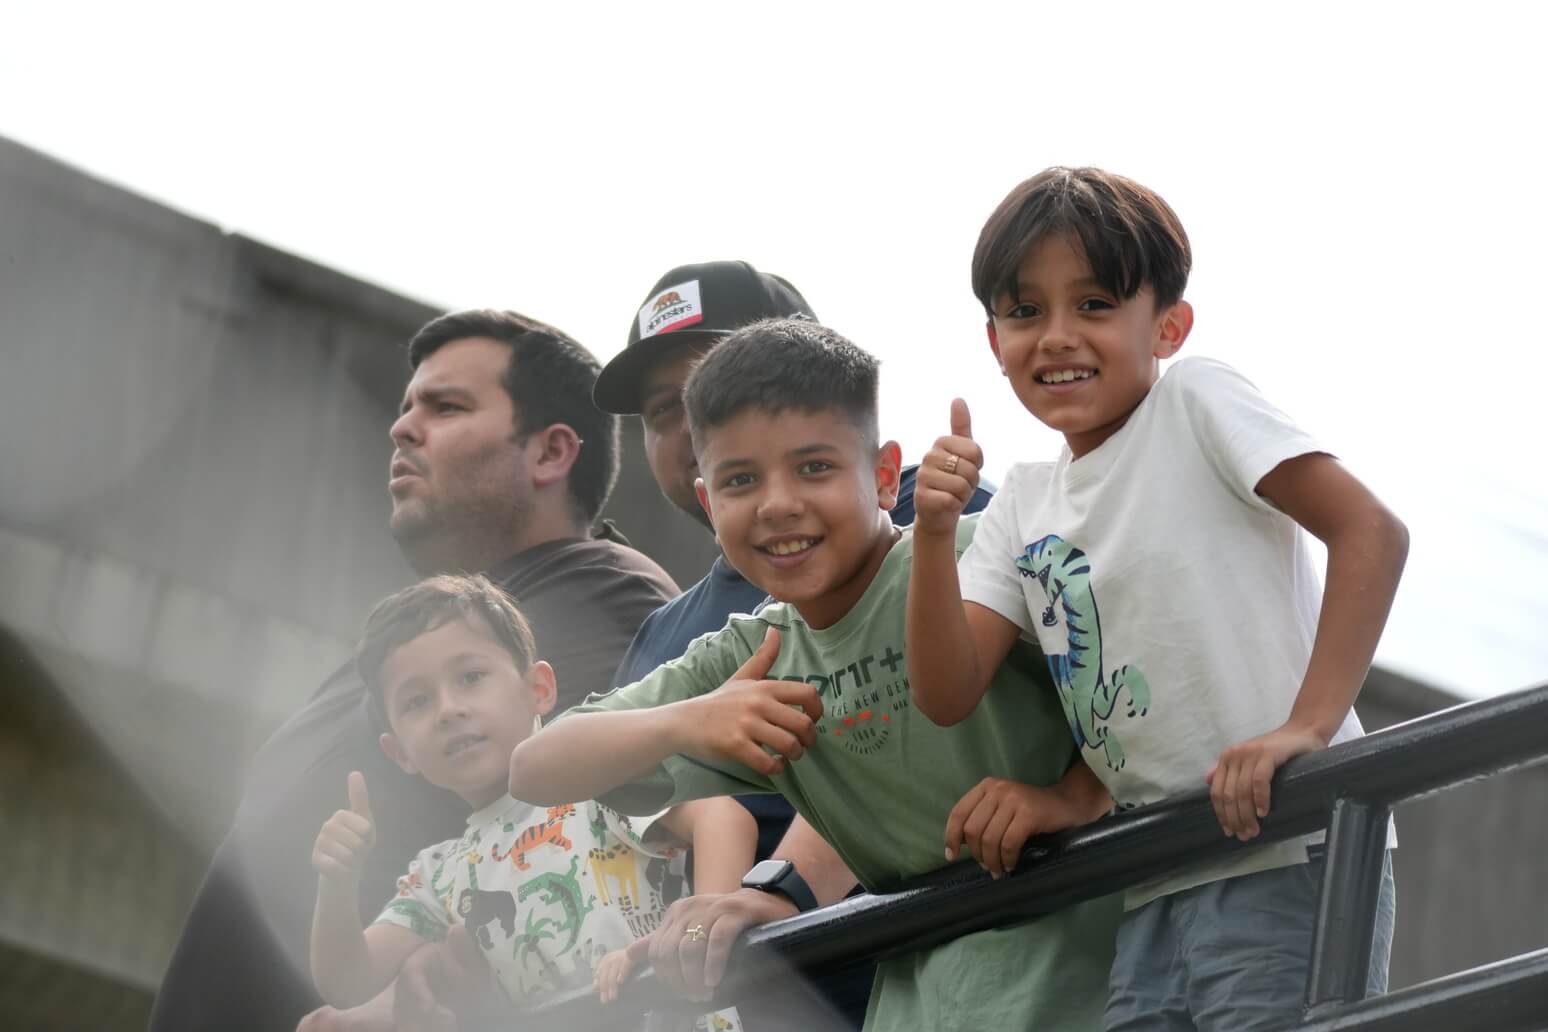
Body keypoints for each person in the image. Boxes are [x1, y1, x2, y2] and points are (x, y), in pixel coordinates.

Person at [509, 319, 1121, 1031]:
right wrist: (691, 719)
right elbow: (534, 767)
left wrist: (1077, 795)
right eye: (741, 480)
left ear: (885, 476)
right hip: (924, 1005)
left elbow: (1161, 661)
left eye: (814, 467)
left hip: (1105, 984)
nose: (777, 504)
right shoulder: (751, 653)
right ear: (710, 505)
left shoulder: (978, 553)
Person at [905, 166, 1408, 1031]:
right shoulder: (1022, 501)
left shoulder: (1196, 402)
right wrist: (934, 532)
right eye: (1025, 311)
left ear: (1168, 325)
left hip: (1288, 845)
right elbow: (946, 692)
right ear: (994, 340)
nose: (1057, 336)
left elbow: (1372, 532)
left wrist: (1307, 728)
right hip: (1152, 873)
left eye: (1095, 303)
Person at [149, 309, 679, 1032]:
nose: (402, 428)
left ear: (551, 452)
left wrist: (419, 978)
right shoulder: (397, 644)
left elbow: (574, 851)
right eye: (405, 408)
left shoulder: (605, 595)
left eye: (446, 407)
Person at [307, 574, 750, 1029]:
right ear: (399, 752)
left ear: (539, 688)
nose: (448, 710)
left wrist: (702, 929)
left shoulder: (595, 781)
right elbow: (349, 982)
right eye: (417, 701)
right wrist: (338, 881)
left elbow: (721, 817)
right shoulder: (438, 875)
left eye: (470, 677)